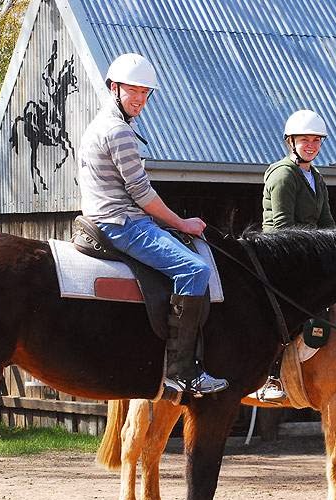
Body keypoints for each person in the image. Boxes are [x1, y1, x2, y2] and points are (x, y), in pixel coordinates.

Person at [78, 53, 228, 397]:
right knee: (195, 270)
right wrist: (182, 223)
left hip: (104, 216)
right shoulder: (118, 133)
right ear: (114, 88)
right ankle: (181, 371)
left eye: (146, 93)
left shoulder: (102, 124)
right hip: (122, 223)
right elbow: (143, 195)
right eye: (134, 92)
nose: (141, 100)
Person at [256, 109, 336, 402]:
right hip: (279, 254)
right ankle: (272, 376)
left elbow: (327, 223)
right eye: (305, 140)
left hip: (307, 253)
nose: (312, 145)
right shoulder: (283, 174)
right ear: (290, 141)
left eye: (317, 140)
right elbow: (281, 227)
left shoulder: (316, 177)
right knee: (287, 309)